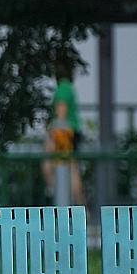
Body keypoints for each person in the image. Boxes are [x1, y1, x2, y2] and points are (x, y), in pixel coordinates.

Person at [42, 58, 86, 205]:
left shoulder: (63, 88)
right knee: (72, 170)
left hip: (64, 134)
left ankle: (56, 195)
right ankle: (80, 208)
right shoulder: (68, 87)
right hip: (70, 132)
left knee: (60, 167)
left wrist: (51, 135)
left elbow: (61, 114)